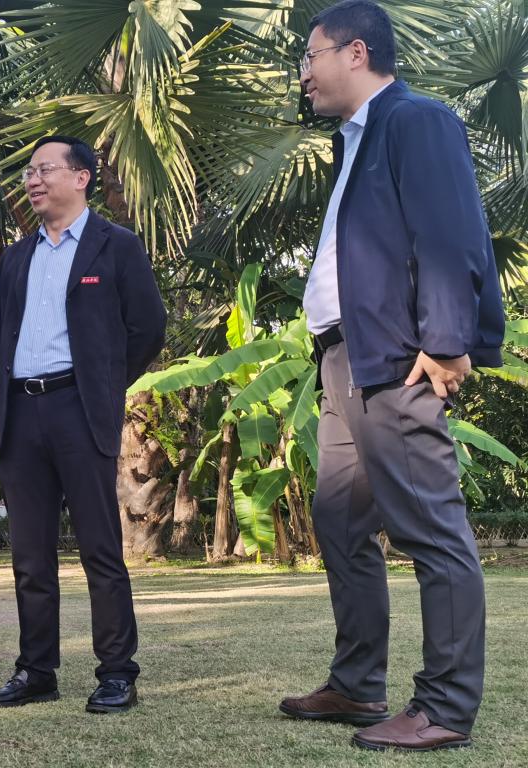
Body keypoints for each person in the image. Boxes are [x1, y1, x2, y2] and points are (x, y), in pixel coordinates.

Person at [278, 0, 505, 752]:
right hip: (344, 358)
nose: (303, 74)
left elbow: (450, 234)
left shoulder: (416, 120)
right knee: (341, 523)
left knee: (430, 528)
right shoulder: (358, 139)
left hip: (397, 356)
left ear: (355, 52)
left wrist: (446, 340)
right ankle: (357, 684)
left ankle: (445, 707)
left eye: (310, 56)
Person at [0, 135, 166, 713]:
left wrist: (101, 382)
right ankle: (36, 671)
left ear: (81, 178)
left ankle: (117, 673)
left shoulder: (116, 245)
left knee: (101, 549)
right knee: (30, 555)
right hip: (20, 412)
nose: (33, 180)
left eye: (45, 169)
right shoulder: (17, 256)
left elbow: (148, 328)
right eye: (29, 171)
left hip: (80, 408)